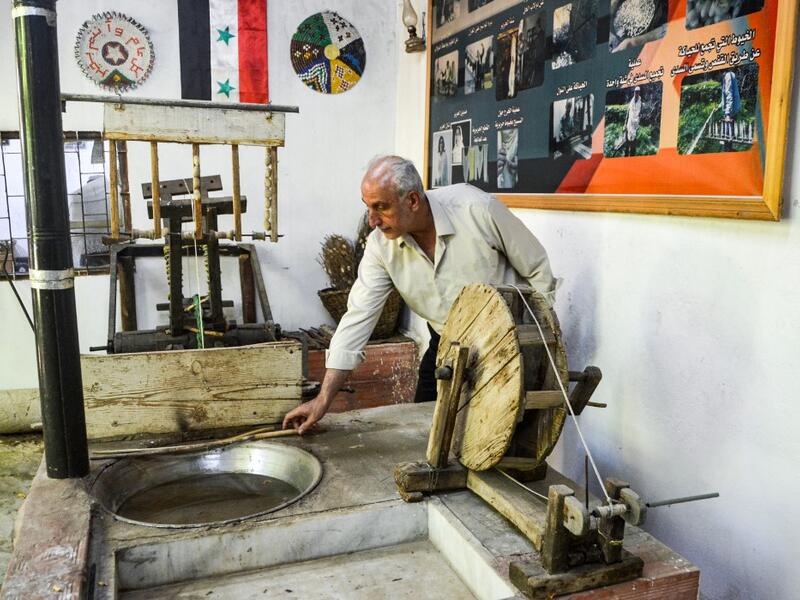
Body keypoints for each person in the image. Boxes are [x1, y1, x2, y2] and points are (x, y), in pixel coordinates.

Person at [283, 156, 559, 434]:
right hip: (446, 343)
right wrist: (323, 400)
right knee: (425, 434)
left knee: (500, 437)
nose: (372, 220)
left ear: (413, 200)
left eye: (381, 207)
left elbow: (537, 271)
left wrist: (534, 344)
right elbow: (357, 318)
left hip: (507, 341)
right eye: (368, 207)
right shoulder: (381, 247)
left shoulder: (476, 209)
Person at [720, 70, 740, 150]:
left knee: (727, 137)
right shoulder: (731, 74)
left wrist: (727, 113)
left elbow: (729, 95)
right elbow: (727, 95)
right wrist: (719, 106)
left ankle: (727, 151)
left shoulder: (728, 76)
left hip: (730, 111)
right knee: (729, 137)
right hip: (733, 109)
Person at [624, 86, 642, 156]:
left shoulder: (640, 102)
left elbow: (640, 114)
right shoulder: (631, 102)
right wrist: (625, 123)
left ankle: (632, 156)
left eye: (637, 92)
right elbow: (628, 112)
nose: (636, 93)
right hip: (629, 123)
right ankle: (626, 155)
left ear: (639, 93)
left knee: (633, 143)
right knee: (627, 141)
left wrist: (638, 122)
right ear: (634, 92)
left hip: (635, 124)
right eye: (635, 92)